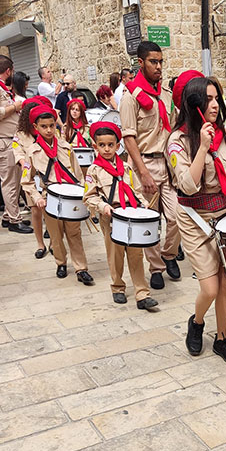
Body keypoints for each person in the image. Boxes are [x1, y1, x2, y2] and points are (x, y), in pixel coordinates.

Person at [167, 74, 226, 364]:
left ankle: (222, 339)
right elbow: (188, 185)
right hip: (194, 218)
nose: (215, 105)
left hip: (225, 215)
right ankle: (197, 322)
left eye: (217, 98)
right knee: (210, 287)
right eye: (208, 99)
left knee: (225, 284)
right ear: (195, 104)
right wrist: (202, 147)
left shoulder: (225, 136)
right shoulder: (177, 142)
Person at [120, 40, 181, 290]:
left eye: (161, 62)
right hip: (145, 162)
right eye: (153, 62)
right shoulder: (130, 97)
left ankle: (169, 254)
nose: (158, 67)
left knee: (177, 216)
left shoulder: (165, 95)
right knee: (151, 219)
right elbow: (129, 138)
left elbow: (174, 127)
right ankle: (156, 267)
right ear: (140, 62)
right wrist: (143, 172)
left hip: (168, 164)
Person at [83, 121, 158, 311]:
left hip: (131, 214)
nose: (107, 149)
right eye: (102, 145)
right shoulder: (94, 170)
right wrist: (103, 206)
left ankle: (142, 294)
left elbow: (136, 190)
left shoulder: (126, 167)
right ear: (95, 146)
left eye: (111, 145)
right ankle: (117, 287)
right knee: (115, 254)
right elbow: (89, 197)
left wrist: (143, 203)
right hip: (111, 217)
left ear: (118, 146)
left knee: (136, 254)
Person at [21, 104, 94, 284]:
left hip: (71, 197)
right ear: (35, 127)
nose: (48, 130)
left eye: (52, 125)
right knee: (55, 235)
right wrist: (37, 198)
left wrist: (83, 194)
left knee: (74, 233)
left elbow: (78, 175)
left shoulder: (66, 147)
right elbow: (26, 181)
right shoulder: (32, 152)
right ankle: (61, 263)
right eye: (44, 126)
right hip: (49, 198)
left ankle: (81, 268)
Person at [0, 55, 32, 234]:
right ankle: (15, 220)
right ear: (8, 71)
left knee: (14, 181)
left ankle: (9, 215)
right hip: (1, 140)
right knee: (10, 182)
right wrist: (16, 107)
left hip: (7, 139)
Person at [13, 96, 53, 258]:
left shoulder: (48, 131)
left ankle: (53, 241)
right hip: (31, 177)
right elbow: (17, 152)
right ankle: (40, 244)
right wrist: (26, 163)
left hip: (49, 177)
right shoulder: (20, 135)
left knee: (51, 210)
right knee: (35, 210)